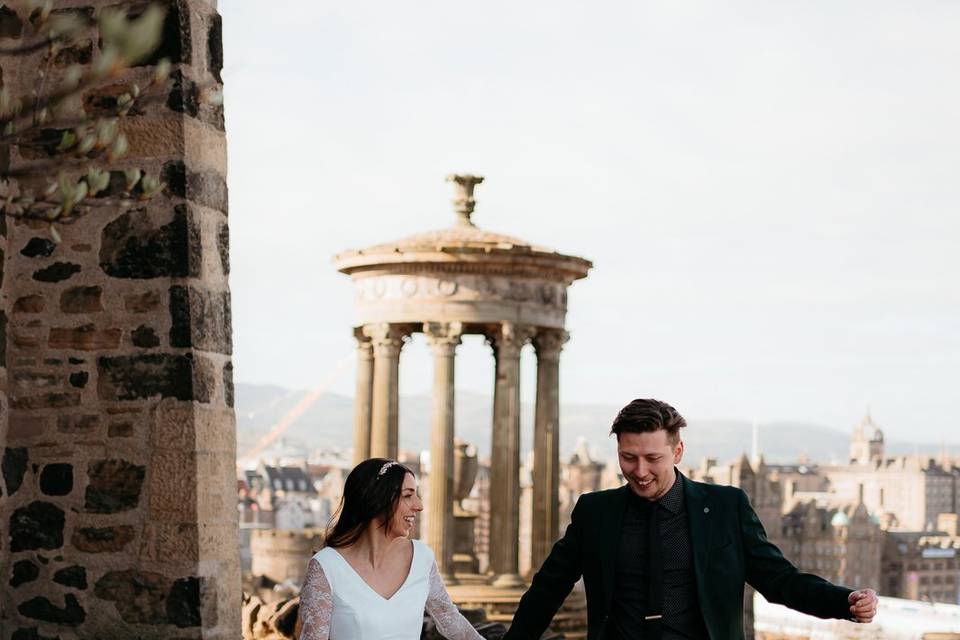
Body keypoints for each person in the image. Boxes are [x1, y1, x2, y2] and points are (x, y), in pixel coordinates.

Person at [504, 398, 879, 640]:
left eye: (653, 458)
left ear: (678, 451)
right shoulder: (594, 511)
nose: (639, 471)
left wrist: (843, 601)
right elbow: (547, 589)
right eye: (628, 458)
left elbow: (778, 579)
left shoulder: (725, 507)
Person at [298, 458, 483, 640]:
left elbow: (455, 626)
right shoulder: (327, 567)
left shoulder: (421, 558)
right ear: (378, 500)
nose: (419, 506)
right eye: (408, 496)